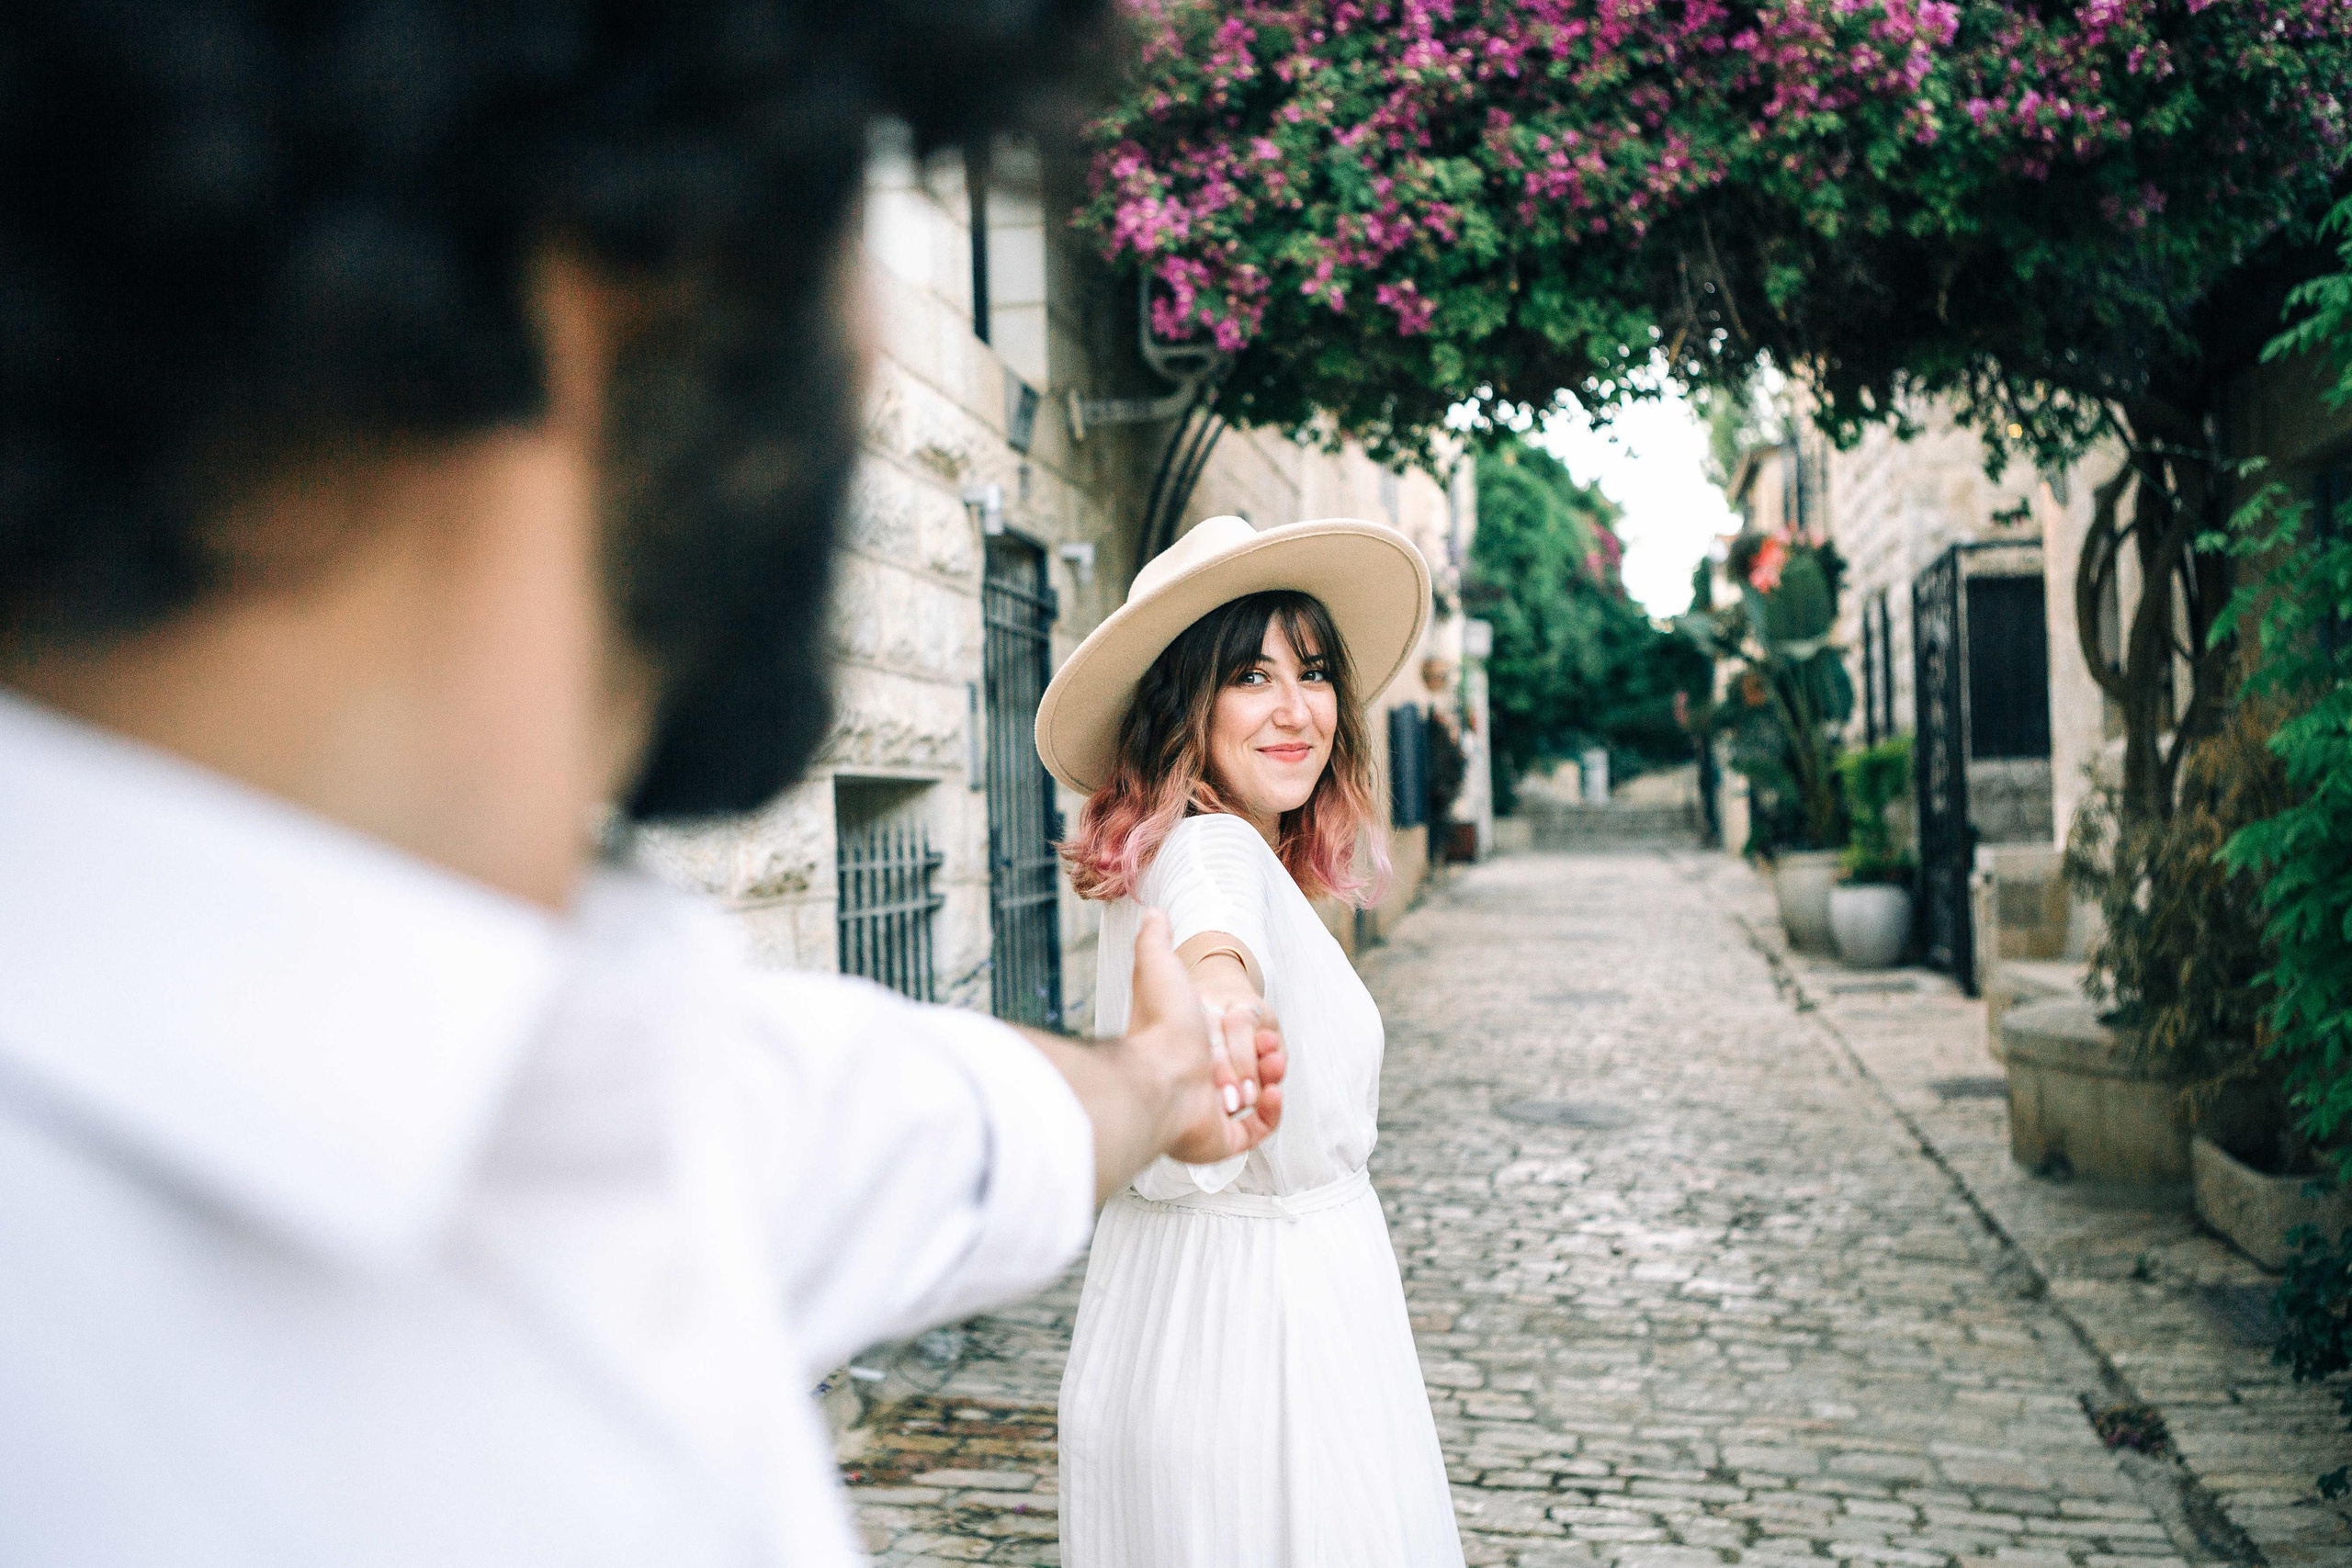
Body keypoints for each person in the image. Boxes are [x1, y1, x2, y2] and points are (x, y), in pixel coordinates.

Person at [0, 5, 1286, 1564]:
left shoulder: (573, 1053)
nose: (871, 320)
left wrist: (1158, 1076)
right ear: (636, 247)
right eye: (842, 196)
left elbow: (951, 1133)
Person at [1038, 515, 1467, 1568]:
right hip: (1266, 1346)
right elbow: (1213, 938)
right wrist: (1221, 1009)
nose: (1296, 710)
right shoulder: (1213, 846)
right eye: (1250, 677)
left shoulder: (1181, 842)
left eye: (1313, 673)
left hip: (1194, 1313)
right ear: (1187, 704)